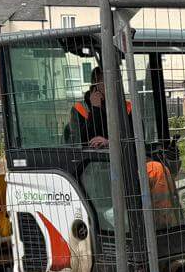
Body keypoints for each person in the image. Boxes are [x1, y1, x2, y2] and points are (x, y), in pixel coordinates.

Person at [67, 67, 176, 217]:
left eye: (115, 80)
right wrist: (96, 110)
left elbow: (137, 138)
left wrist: (110, 142)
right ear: (95, 85)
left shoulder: (127, 108)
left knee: (160, 170)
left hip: (128, 162)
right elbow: (82, 143)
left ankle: (163, 221)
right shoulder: (80, 110)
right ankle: (159, 222)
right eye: (105, 81)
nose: (112, 85)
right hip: (97, 169)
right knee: (156, 170)